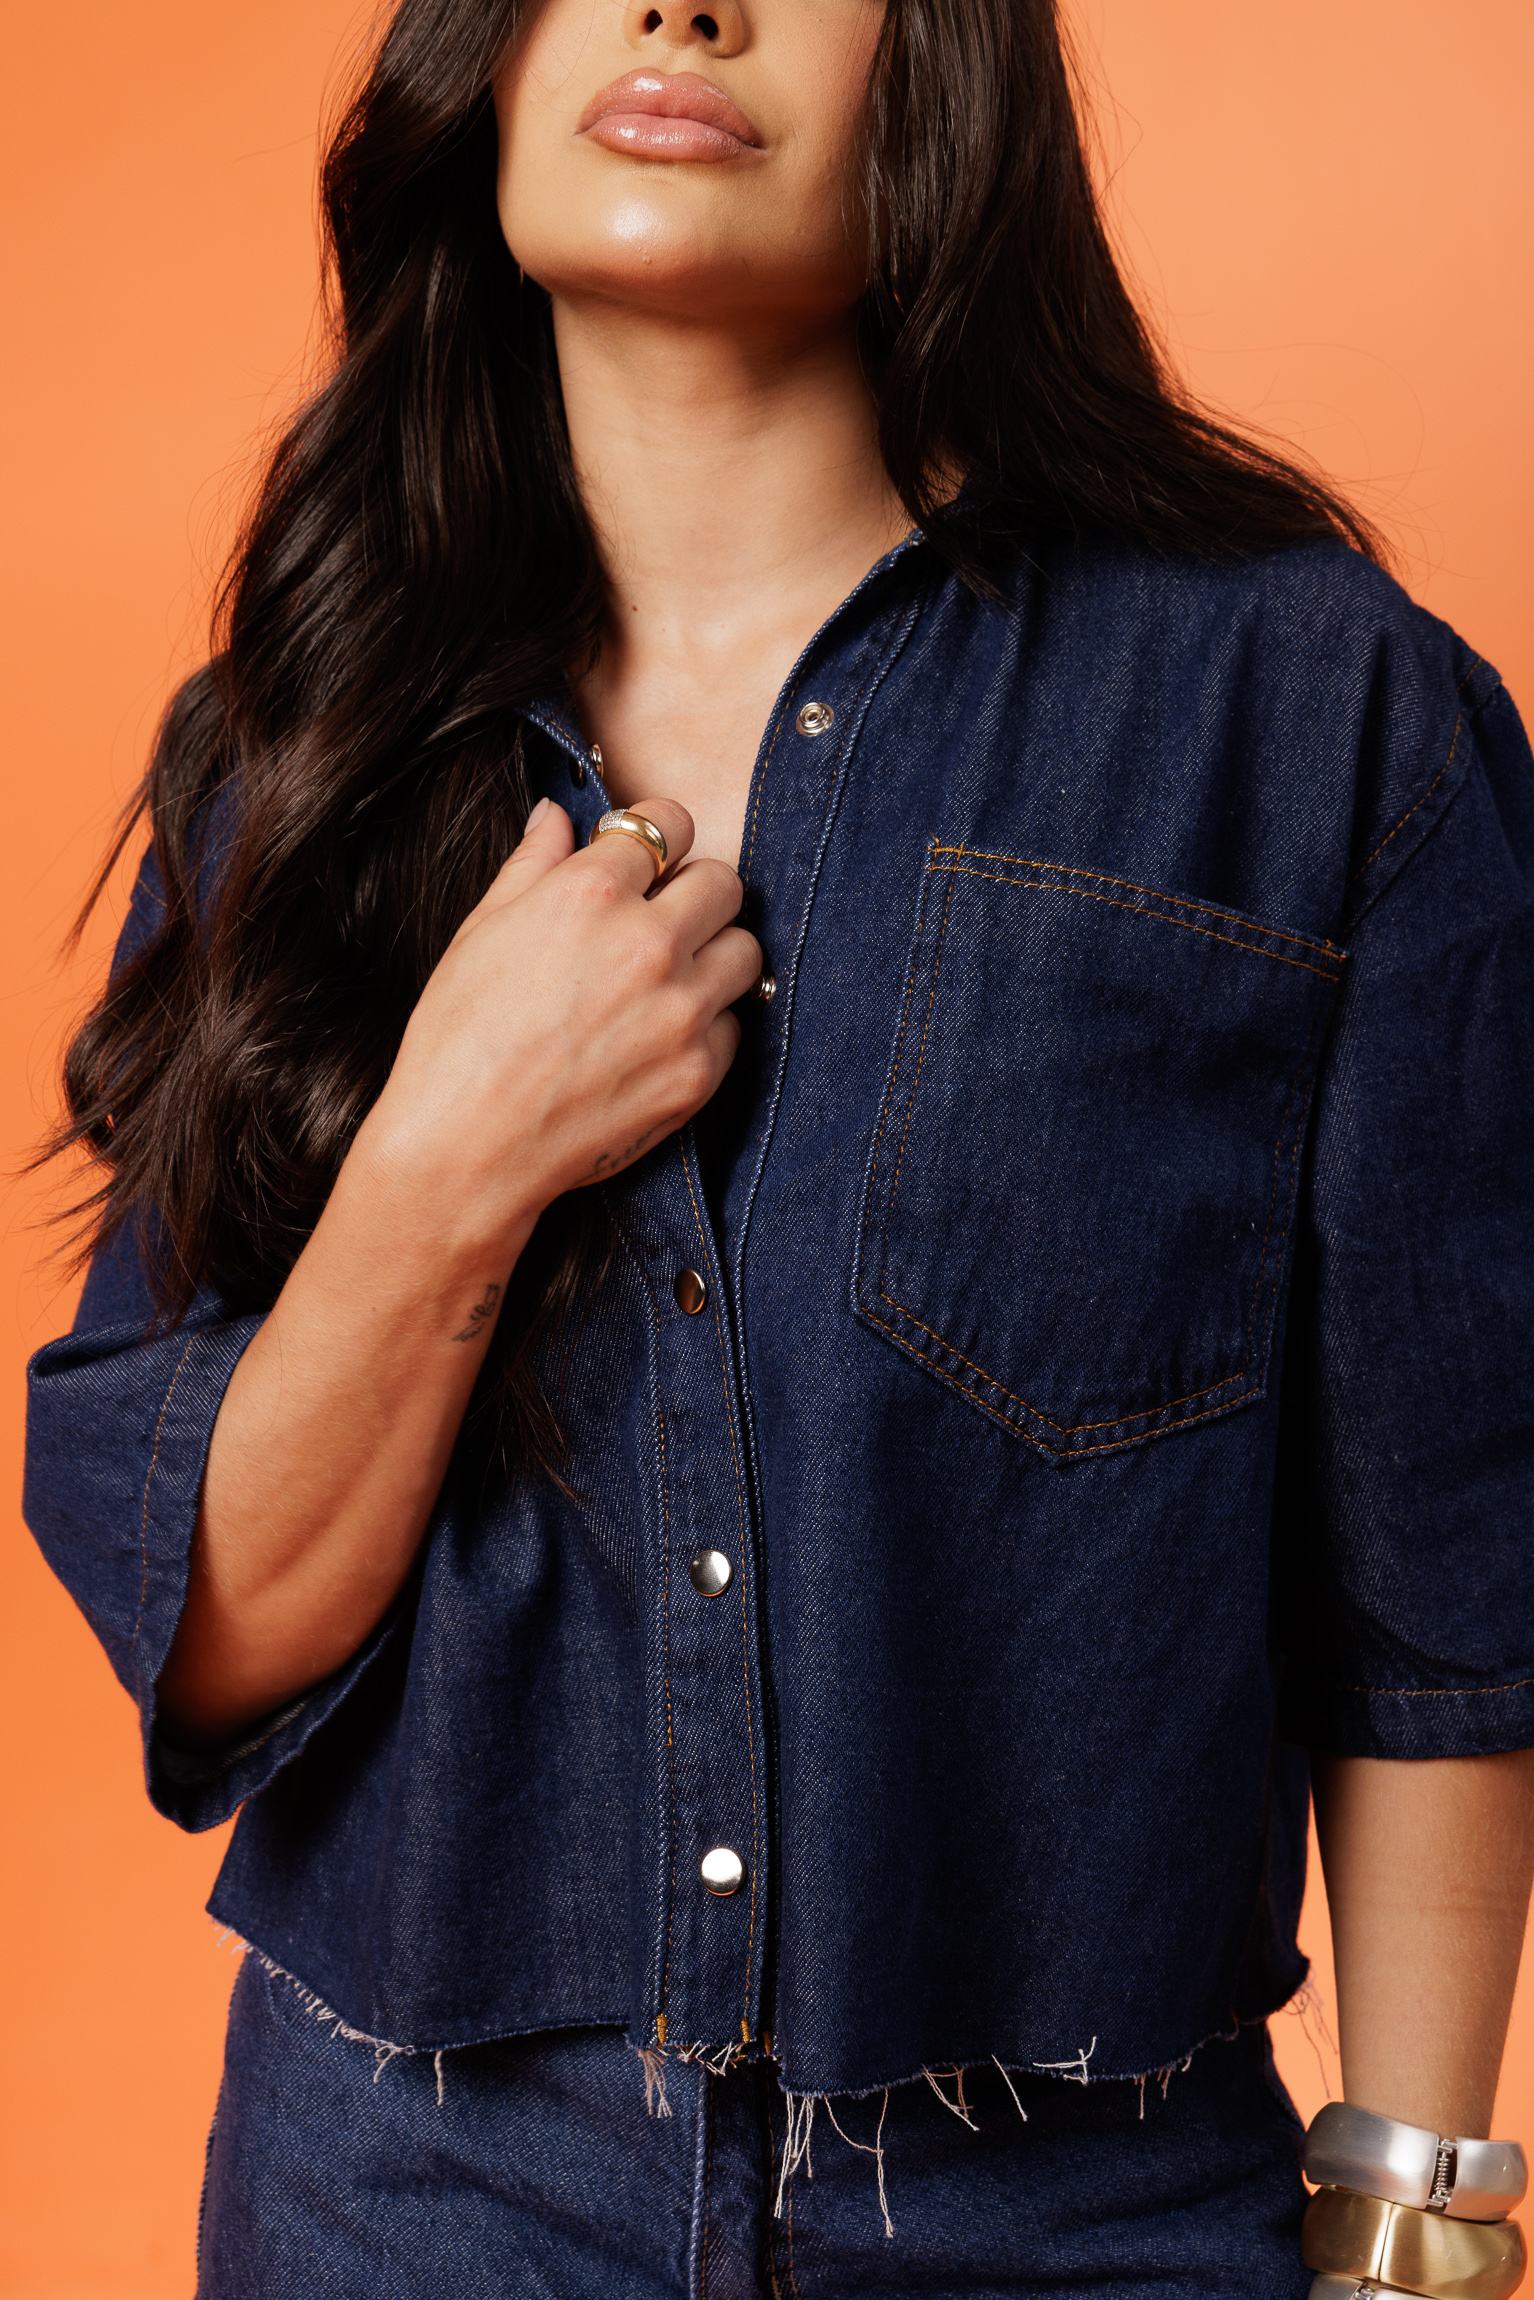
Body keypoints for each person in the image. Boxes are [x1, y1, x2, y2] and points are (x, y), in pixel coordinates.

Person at [24, 0, 1534, 2290]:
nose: (681, 6)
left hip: (1083, 2219)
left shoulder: (1307, 710)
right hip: (410, 2204)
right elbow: (214, 1640)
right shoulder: (295, 757)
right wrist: (448, 1156)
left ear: (944, 60)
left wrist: (1411, 2236)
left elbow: (1441, 1590)